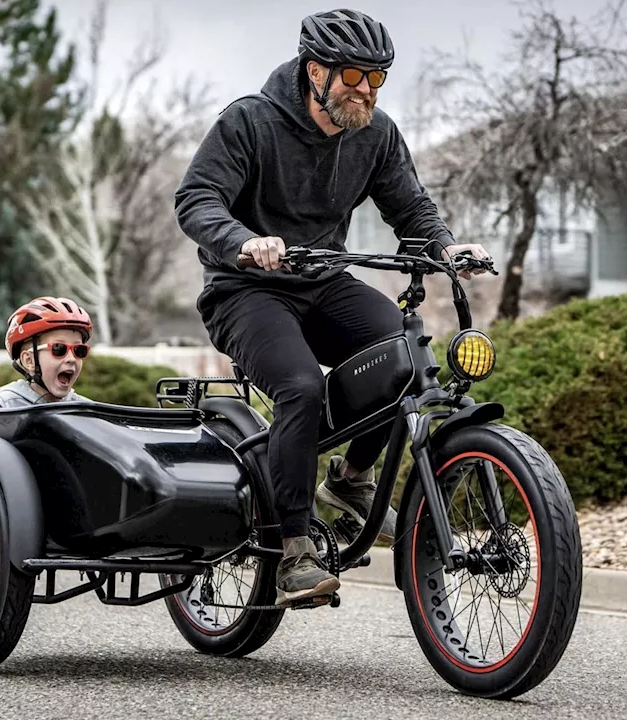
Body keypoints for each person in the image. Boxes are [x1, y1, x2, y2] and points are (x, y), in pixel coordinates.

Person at [174, 8, 490, 607]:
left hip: (323, 278)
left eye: (377, 79)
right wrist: (242, 242)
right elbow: (196, 198)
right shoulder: (250, 122)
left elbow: (411, 210)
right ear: (316, 71)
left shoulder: (375, 133)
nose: (367, 91)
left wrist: (448, 247)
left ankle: (350, 483)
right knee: (299, 387)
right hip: (245, 289)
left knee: (401, 351)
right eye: (354, 77)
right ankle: (293, 548)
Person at [0, 296, 94, 409]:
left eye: (79, 350)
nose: (71, 358)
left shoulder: (85, 410)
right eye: (59, 348)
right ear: (29, 360)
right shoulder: (7, 406)